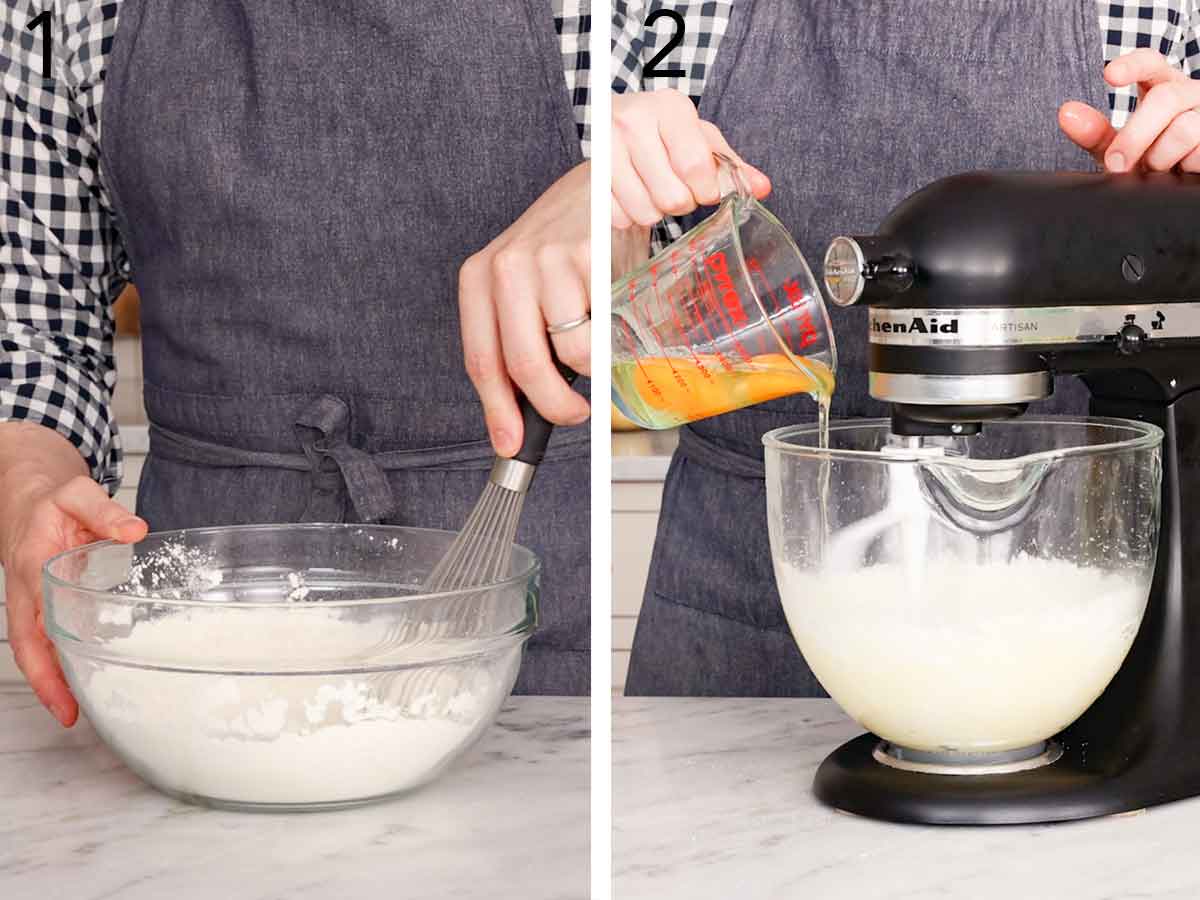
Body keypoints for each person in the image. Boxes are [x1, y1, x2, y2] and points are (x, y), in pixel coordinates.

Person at [0, 0, 593, 727]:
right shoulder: (58, 13)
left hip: (533, 617)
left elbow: (697, 252)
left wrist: (620, 206)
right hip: (195, 640)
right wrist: (29, 483)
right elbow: (34, 327)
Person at [614, 0, 1200, 696]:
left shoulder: (1161, 12)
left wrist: (1172, 210)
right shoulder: (665, 12)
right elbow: (606, 295)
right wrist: (602, 197)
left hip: (1069, 577)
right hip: (739, 593)